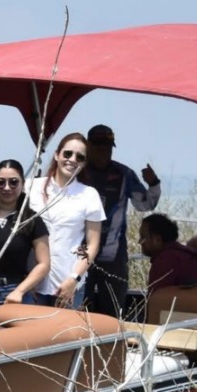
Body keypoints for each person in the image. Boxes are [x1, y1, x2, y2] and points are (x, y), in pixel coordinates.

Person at [79, 124, 161, 319]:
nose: (103, 151)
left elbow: (145, 205)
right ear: (88, 146)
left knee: (114, 311)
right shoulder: (77, 173)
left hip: (113, 256)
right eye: (98, 145)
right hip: (78, 254)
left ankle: (112, 346)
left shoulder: (124, 174)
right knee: (79, 309)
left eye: (107, 146)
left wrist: (154, 183)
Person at [25, 132, 106, 308]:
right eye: (67, 154)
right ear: (57, 155)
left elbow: (93, 245)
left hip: (67, 285)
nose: (72, 159)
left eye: (80, 157)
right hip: (30, 283)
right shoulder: (31, 187)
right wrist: (24, 279)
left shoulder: (89, 195)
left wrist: (74, 279)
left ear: (84, 163)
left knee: (65, 335)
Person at [0, 159, 51, 319]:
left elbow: (44, 264)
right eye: (1, 182)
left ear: (23, 184)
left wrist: (20, 291)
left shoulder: (32, 220)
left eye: (13, 182)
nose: (7, 187)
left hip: (13, 293)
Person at [139, 213, 197, 291]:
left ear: (157, 239)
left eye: (143, 237)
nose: (139, 242)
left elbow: (156, 300)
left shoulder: (166, 260)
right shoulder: (181, 255)